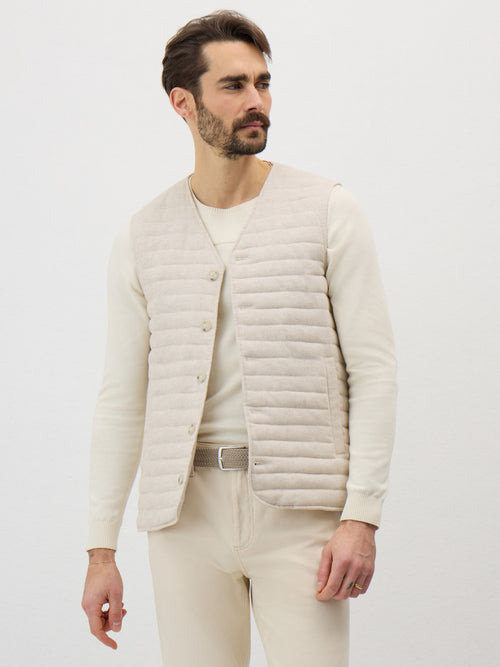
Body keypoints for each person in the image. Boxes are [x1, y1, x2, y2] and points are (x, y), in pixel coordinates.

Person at [81, 10, 397, 667]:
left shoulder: (328, 210)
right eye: (233, 86)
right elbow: (122, 398)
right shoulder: (141, 236)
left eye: (263, 82)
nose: (257, 101)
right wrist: (100, 549)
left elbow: (373, 371)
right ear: (183, 103)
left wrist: (361, 517)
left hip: (301, 514)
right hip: (184, 520)